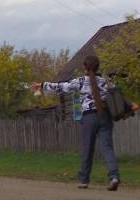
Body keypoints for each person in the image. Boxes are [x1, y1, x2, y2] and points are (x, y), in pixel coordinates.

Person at [33, 55, 120, 191]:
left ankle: (84, 180)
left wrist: (43, 85)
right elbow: (116, 92)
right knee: (107, 148)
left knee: (87, 148)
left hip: (89, 117)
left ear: (85, 67)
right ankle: (114, 176)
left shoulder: (79, 81)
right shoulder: (105, 81)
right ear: (98, 67)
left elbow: (61, 87)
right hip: (105, 116)